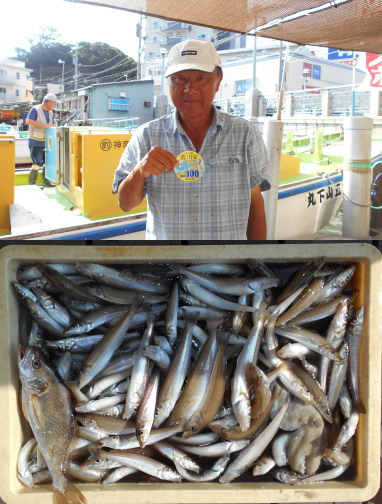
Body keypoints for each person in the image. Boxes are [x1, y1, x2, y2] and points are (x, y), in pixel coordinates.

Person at [112, 40, 270, 240]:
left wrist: (256, 262)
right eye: (179, 78)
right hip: (167, 266)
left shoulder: (246, 134)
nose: (190, 88)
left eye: (201, 78)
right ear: (168, 82)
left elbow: (255, 202)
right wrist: (139, 171)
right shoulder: (146, 135)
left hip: (228, 265)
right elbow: (125, 204)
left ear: (218, 81)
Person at [26, 93, 58, 187]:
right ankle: (32, 183)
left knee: (46, 162)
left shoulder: (50, 112)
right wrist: (44, 126)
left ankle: (46, 181)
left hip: (46, 141)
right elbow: (28, 121)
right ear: (49, 103)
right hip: (35, 141)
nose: (55, 105)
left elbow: (53, 124)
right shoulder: (35, 109)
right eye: (54, 103)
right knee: (37, 163)